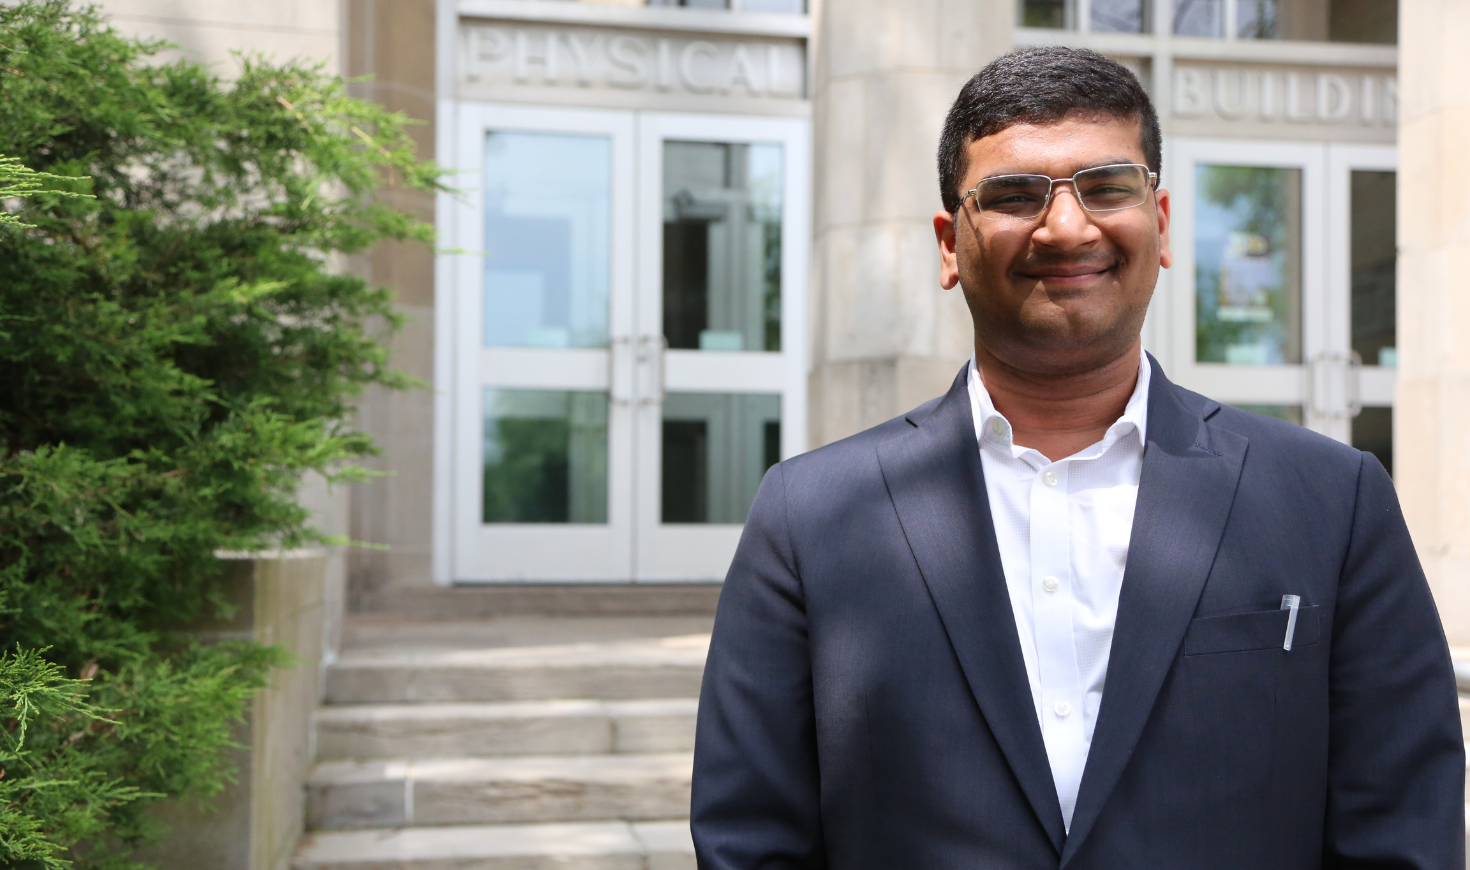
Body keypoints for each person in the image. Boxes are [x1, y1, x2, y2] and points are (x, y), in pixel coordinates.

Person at [690, 46, 1465, 869]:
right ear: (950, 247)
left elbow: (1403, 829)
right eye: (1015, 195)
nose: (1067, 227)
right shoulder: (809, 515)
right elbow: (751, 838)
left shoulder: (1332, 500)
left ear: (1161, 224)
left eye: (1107, 187)